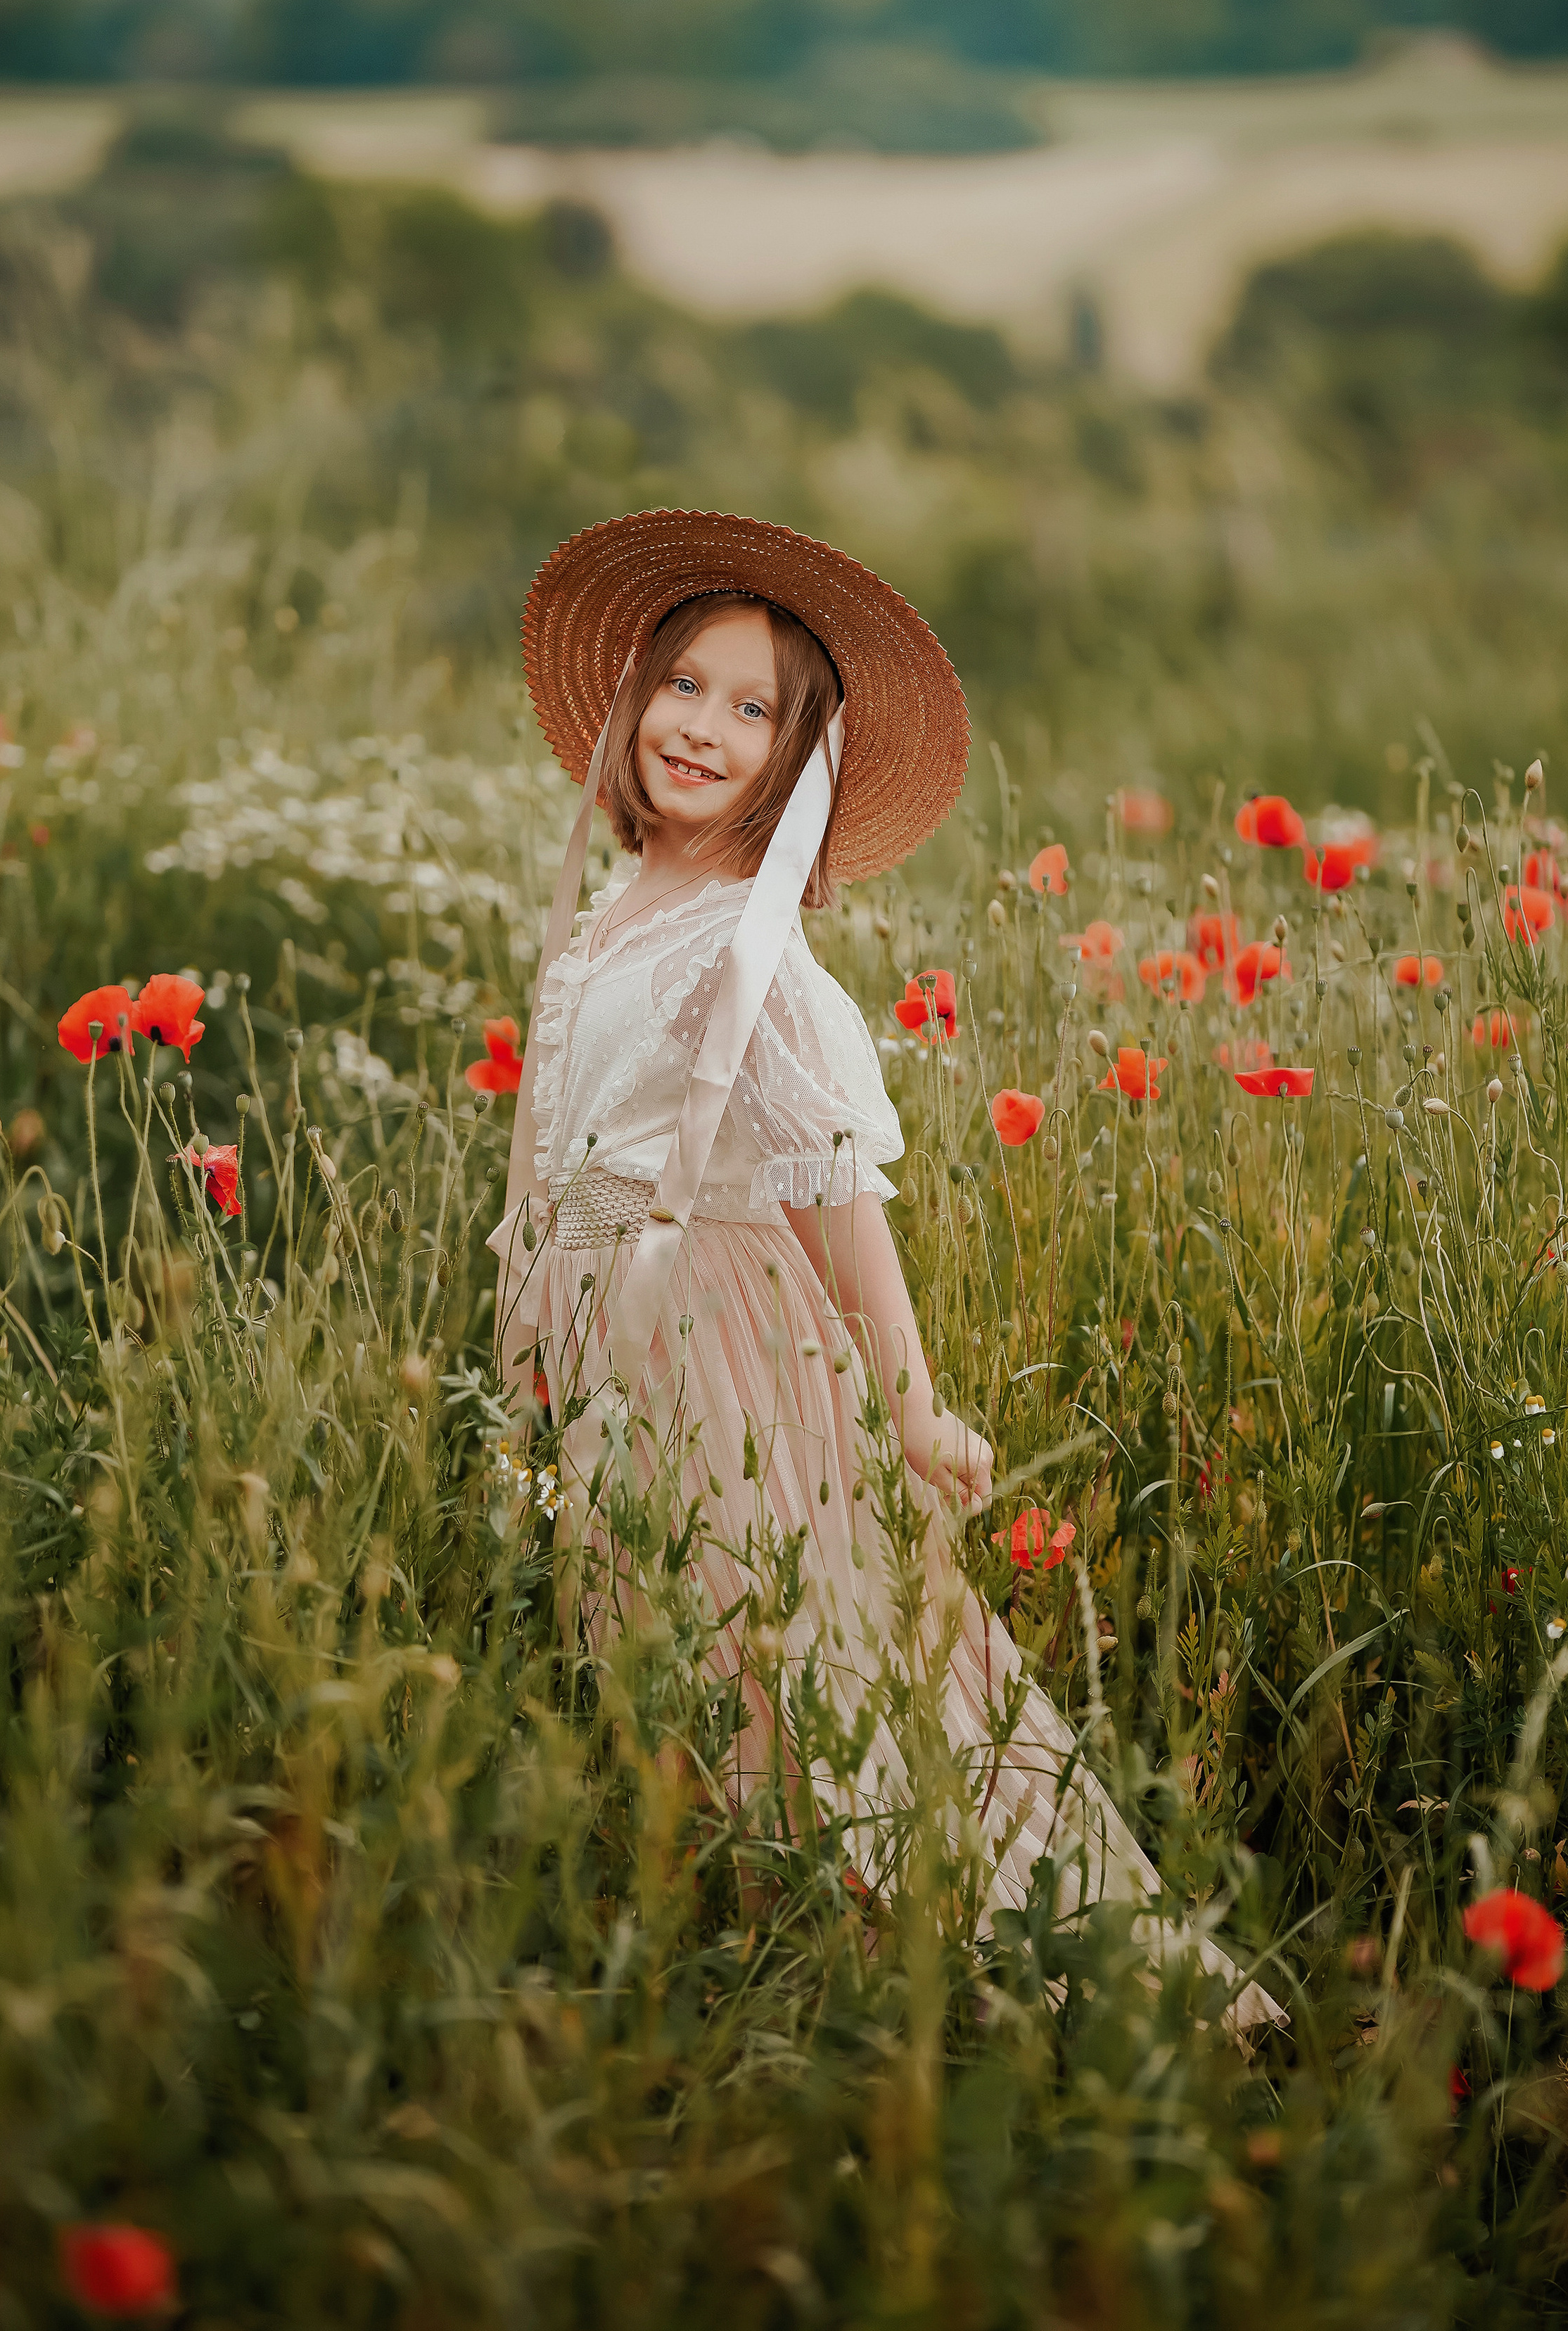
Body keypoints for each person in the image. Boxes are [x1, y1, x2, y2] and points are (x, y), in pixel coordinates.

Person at [492, 507, 1281, 2029]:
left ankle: (940, 1966)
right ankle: (738, 1948)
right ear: (631, 699)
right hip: (601, 1340)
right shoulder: (610, 918)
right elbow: (581, 1153)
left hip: (719, 1345)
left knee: (781, 1646)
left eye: (751, 710)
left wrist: (911, 1406)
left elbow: (835, 1193)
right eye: (683, 686)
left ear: (796, 762)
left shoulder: (747, 951)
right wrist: (535, 1322)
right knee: (648, 1635)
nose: (702, 727)